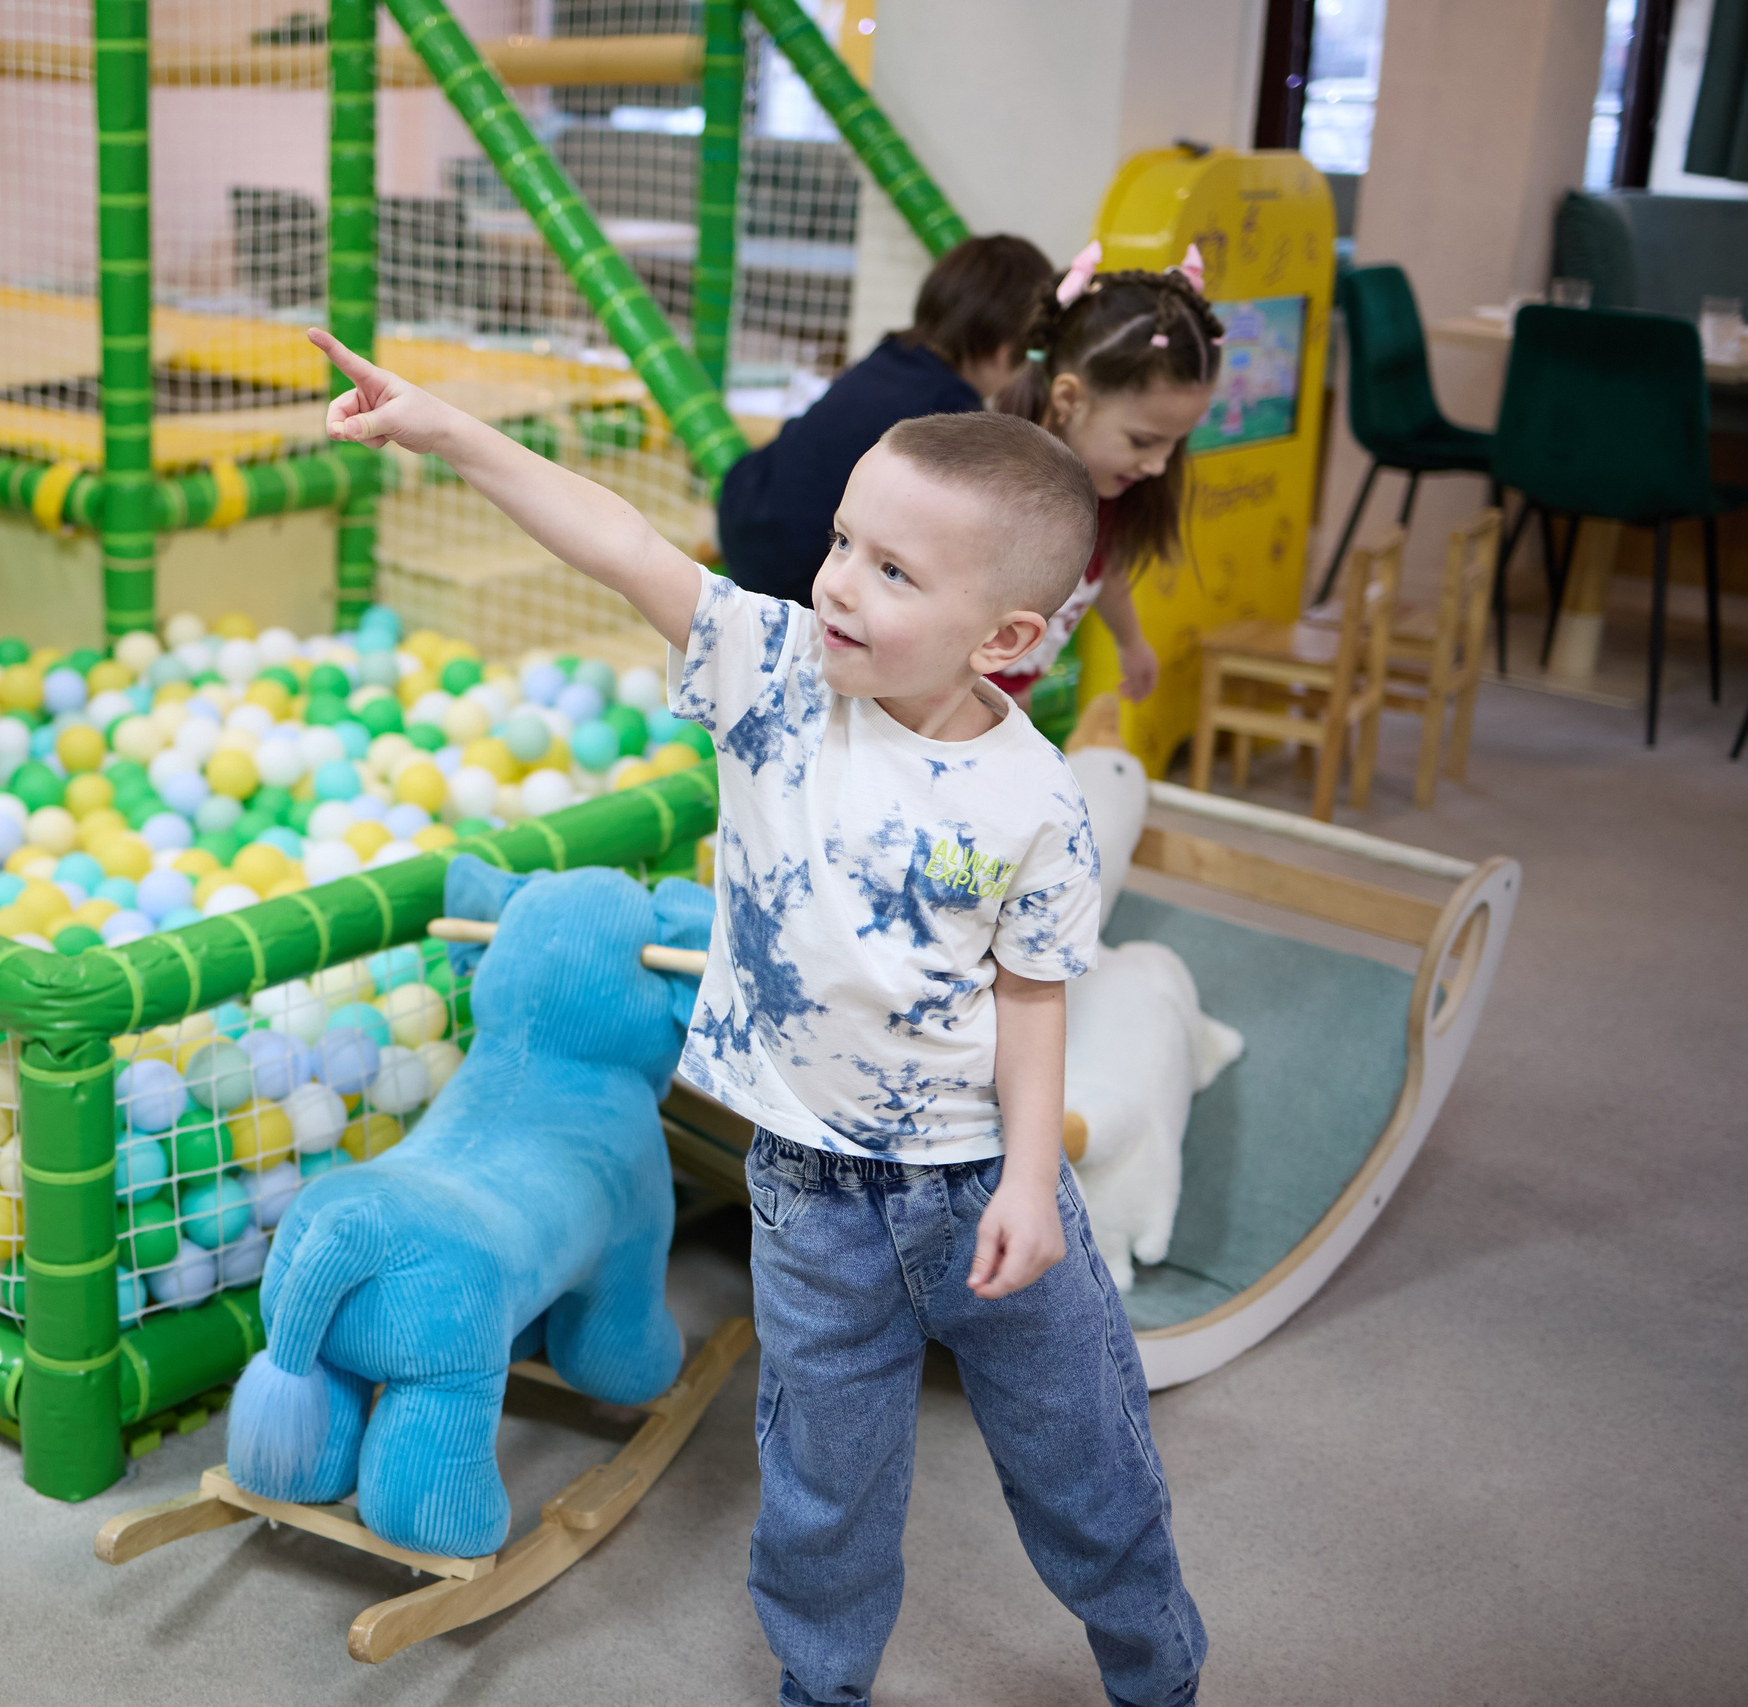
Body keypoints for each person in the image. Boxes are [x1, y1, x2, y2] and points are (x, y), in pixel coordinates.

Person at [306, 326, 1204, 1707]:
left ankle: (1154, 1664)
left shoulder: (1036, 801)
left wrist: (1033, 1173)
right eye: (844, 541)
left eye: (892, 570)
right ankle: (820, 1683)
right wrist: (450, 432)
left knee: (1082, 1453)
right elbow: (619, 543)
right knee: (821, 1480)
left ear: (1010, 635)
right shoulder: (773, 670)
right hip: (807, 1189)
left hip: (978, 1184)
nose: (839, 581)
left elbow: (1035, 995)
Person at [716, 234, 1054, 606]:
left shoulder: (894, 349)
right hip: (794, 571)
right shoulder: (950, 404)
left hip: (742, 508)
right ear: (1007, 352)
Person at [989, 241, 1224, 707]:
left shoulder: (1105, 495)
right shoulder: (990, 498)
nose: (1159, 465)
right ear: (1069, 400)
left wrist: (1132, 642)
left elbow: (1105, 570)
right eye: (1142, 441)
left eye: (1175, 443)